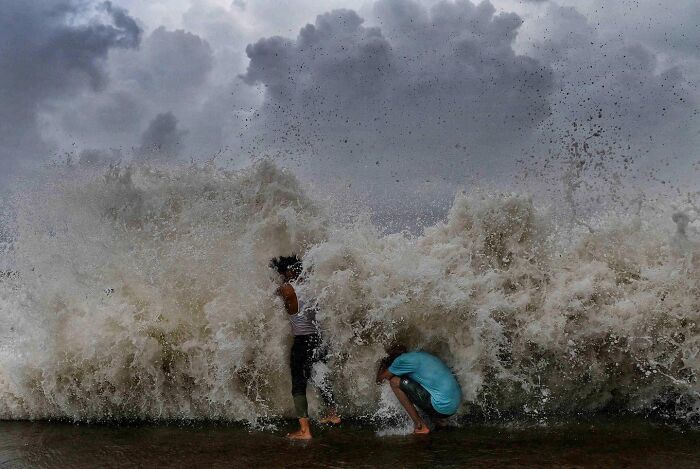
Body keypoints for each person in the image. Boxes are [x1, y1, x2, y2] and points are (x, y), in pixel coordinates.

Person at [271, 255, 341, 440]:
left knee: (298, 383)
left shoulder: (287, 288)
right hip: (318, 339)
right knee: (318, 374)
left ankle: (304, 431)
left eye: (281, 273)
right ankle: (333, 414)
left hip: (302, 342)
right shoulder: (312, 287)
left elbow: (279, 294)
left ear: (288, 272)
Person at [376, 345, 462, 434]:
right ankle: (439, 421)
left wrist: (383, 362)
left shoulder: (401, 361)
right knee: (418, 381)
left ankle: (420, 426)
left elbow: (380, 380)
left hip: (441, 408)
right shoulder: (420, 355)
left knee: (394, 381)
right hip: (453, 406)